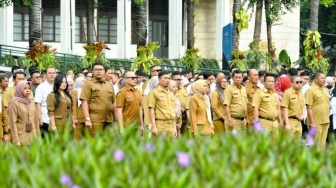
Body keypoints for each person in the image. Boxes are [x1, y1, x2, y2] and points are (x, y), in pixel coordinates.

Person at [80, 62, 116, 137]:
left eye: (101, 69)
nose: (99, 71)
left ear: (104, 71)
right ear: (92, 71)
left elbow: (113, 103)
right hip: (95, 120)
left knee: (109, 143)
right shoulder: (88, 84)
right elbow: (84, 102)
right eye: (96, 70)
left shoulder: (109, 84)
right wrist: (87, 119)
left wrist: (115, 119)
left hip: (109, 119)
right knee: (95, 143)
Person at [8, 81, 39, 146]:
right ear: (19, 89)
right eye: (25, 88)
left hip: (33, 136)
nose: (27, 90)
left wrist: (37, 133)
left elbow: (36, 119)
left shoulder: (31, 101)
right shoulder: (14, 102)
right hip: (21, 136)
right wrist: (16, 140)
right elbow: (13, 122)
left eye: (29, 88)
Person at [306, 71, 330, 151]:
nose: (324, 80)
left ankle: (321, 162)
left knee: (322, 145)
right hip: (316, 122)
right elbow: (308, 107)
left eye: (324, 78)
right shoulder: (311, 90)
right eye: (322, 78)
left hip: (325, 121)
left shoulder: (325, 90)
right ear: (316, 79)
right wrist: (312, 123)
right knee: (315, 145)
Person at [253, 73, 281, 140]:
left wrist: (280, 121)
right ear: (264, 82)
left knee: (275, 144)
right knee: (263, 144)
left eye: (272, 81)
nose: (271, 83)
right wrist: (256, 124)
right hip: (264, 122)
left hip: (274, 122)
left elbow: (278, 109)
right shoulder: (259, 93)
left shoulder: (275, 94)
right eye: (268, 81)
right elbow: (255, 108)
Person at [148, 71, 176, 138]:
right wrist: (154, 127)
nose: (167, 80)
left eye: (169, 78)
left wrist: (174, 127)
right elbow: (151, 110)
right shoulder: (154, 92)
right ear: (159, 79)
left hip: (171, 124)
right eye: (165, 78)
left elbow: (173, 110)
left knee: (171, 147)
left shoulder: (171, 93)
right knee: (160, 146)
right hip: (160, 124)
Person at [115, 71, 143, 136]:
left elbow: (140, 109)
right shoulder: (122, 92)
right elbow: (118, 111)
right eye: (132, 78)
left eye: (136, 78)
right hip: (127, 126)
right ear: (126, 79)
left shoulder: (137, 91)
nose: (135, 79)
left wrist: (141, 125)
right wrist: (121, 128)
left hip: (137, 126)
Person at [224, 70, 247, 134]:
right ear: (232, 78)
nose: (238, 79)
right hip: (233, 120)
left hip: (243, 120)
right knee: (233, 141)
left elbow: (245, 104)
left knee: (243, 141)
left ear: (242, 78)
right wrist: (229, 120)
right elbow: (226, 105)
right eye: (236, 77)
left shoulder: (243, 88)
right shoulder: (229, 89)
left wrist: (246, 118)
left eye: (240, 77)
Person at [34, 67, 56, 137]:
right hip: (45, 119)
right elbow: (37, 103)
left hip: (56, 118)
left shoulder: (57, 86)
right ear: (45, 75)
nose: (52, 75)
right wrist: (39, 119)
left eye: (53, 73)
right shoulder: (41, 87)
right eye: (50, 73)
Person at [282, 76, 305, 141]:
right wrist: (287, 124)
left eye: (301, 82)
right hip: (290, 120)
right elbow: (284, 108)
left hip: (299, 122)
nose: (299, 84)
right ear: (291, 83)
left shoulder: (301, 93)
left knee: (297, 144)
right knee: (288, 144)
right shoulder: (287, 93)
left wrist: (303, 115)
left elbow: (303, 106)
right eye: (297, 82)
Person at [171, 71, 189, 136]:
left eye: (180, 79)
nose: (178, 81)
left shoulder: (184, 89)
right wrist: (181, 109)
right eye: (176, 80)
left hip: (185, 118)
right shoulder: (169, 90)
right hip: (175, 119)